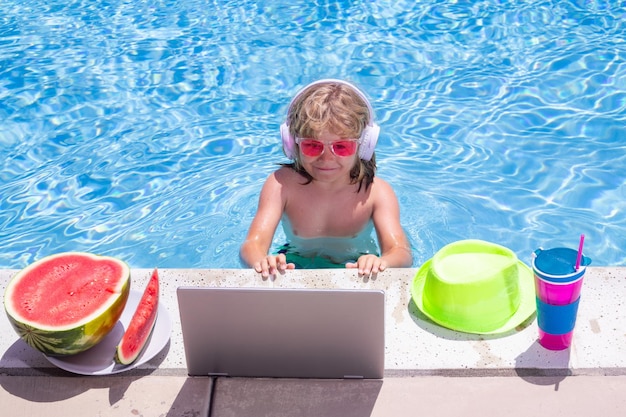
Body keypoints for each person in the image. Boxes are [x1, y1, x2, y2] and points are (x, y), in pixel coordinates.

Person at [240, 79, 413, 278]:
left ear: (364, 145)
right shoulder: (281, 185)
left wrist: (381, 262)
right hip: (293, 263)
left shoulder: (376, 193)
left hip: (358, 267)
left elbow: (401, 252)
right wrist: (262, 261)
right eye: (312, 146)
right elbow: (252, 244)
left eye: (342, 146)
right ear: (292, 144)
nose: (327, 158)